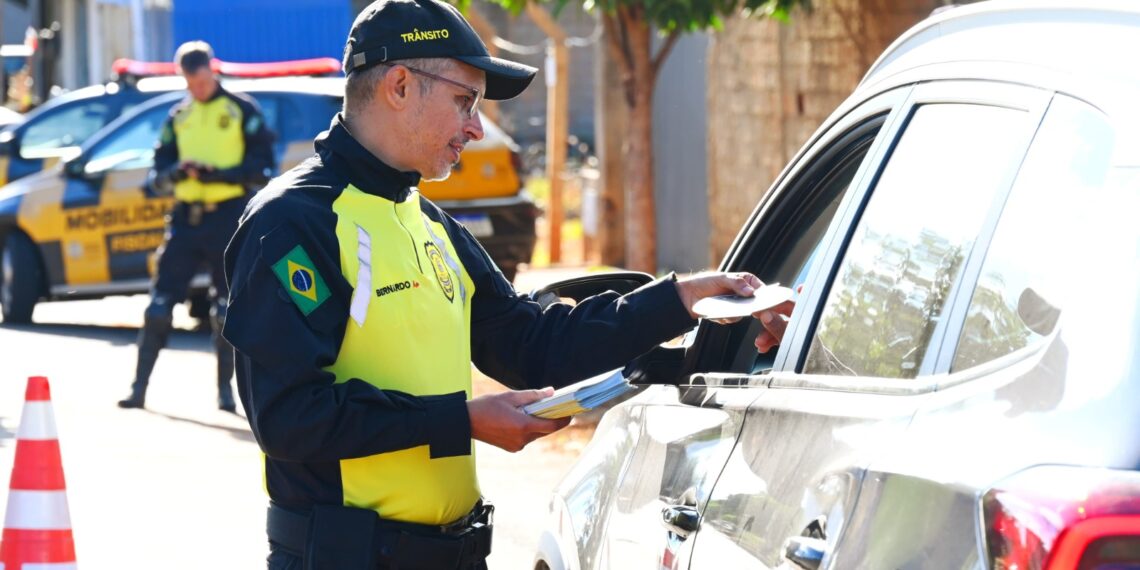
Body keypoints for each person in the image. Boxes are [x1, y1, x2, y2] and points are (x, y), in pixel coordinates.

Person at [221, 1, 790, 567]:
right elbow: (290, 417)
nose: (475, 125)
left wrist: (682, 299)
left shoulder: (427, 221)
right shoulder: (294, 223)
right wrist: (460, 420)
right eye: (464, 101)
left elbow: (532, 345)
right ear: (398, 85)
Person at [117, 41, 276, 412]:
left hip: (228, 216)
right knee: (158, 306)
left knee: (225, 310)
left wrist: (219, 174)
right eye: (191, 83)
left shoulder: (241, 109)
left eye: (202, 80)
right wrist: (176, 172)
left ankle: (225, 392)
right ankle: (138, 389)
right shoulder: (178, 116)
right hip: (187, 219)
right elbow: (157, 173)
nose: (198, 88)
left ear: (212, 70)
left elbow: (263, 166)